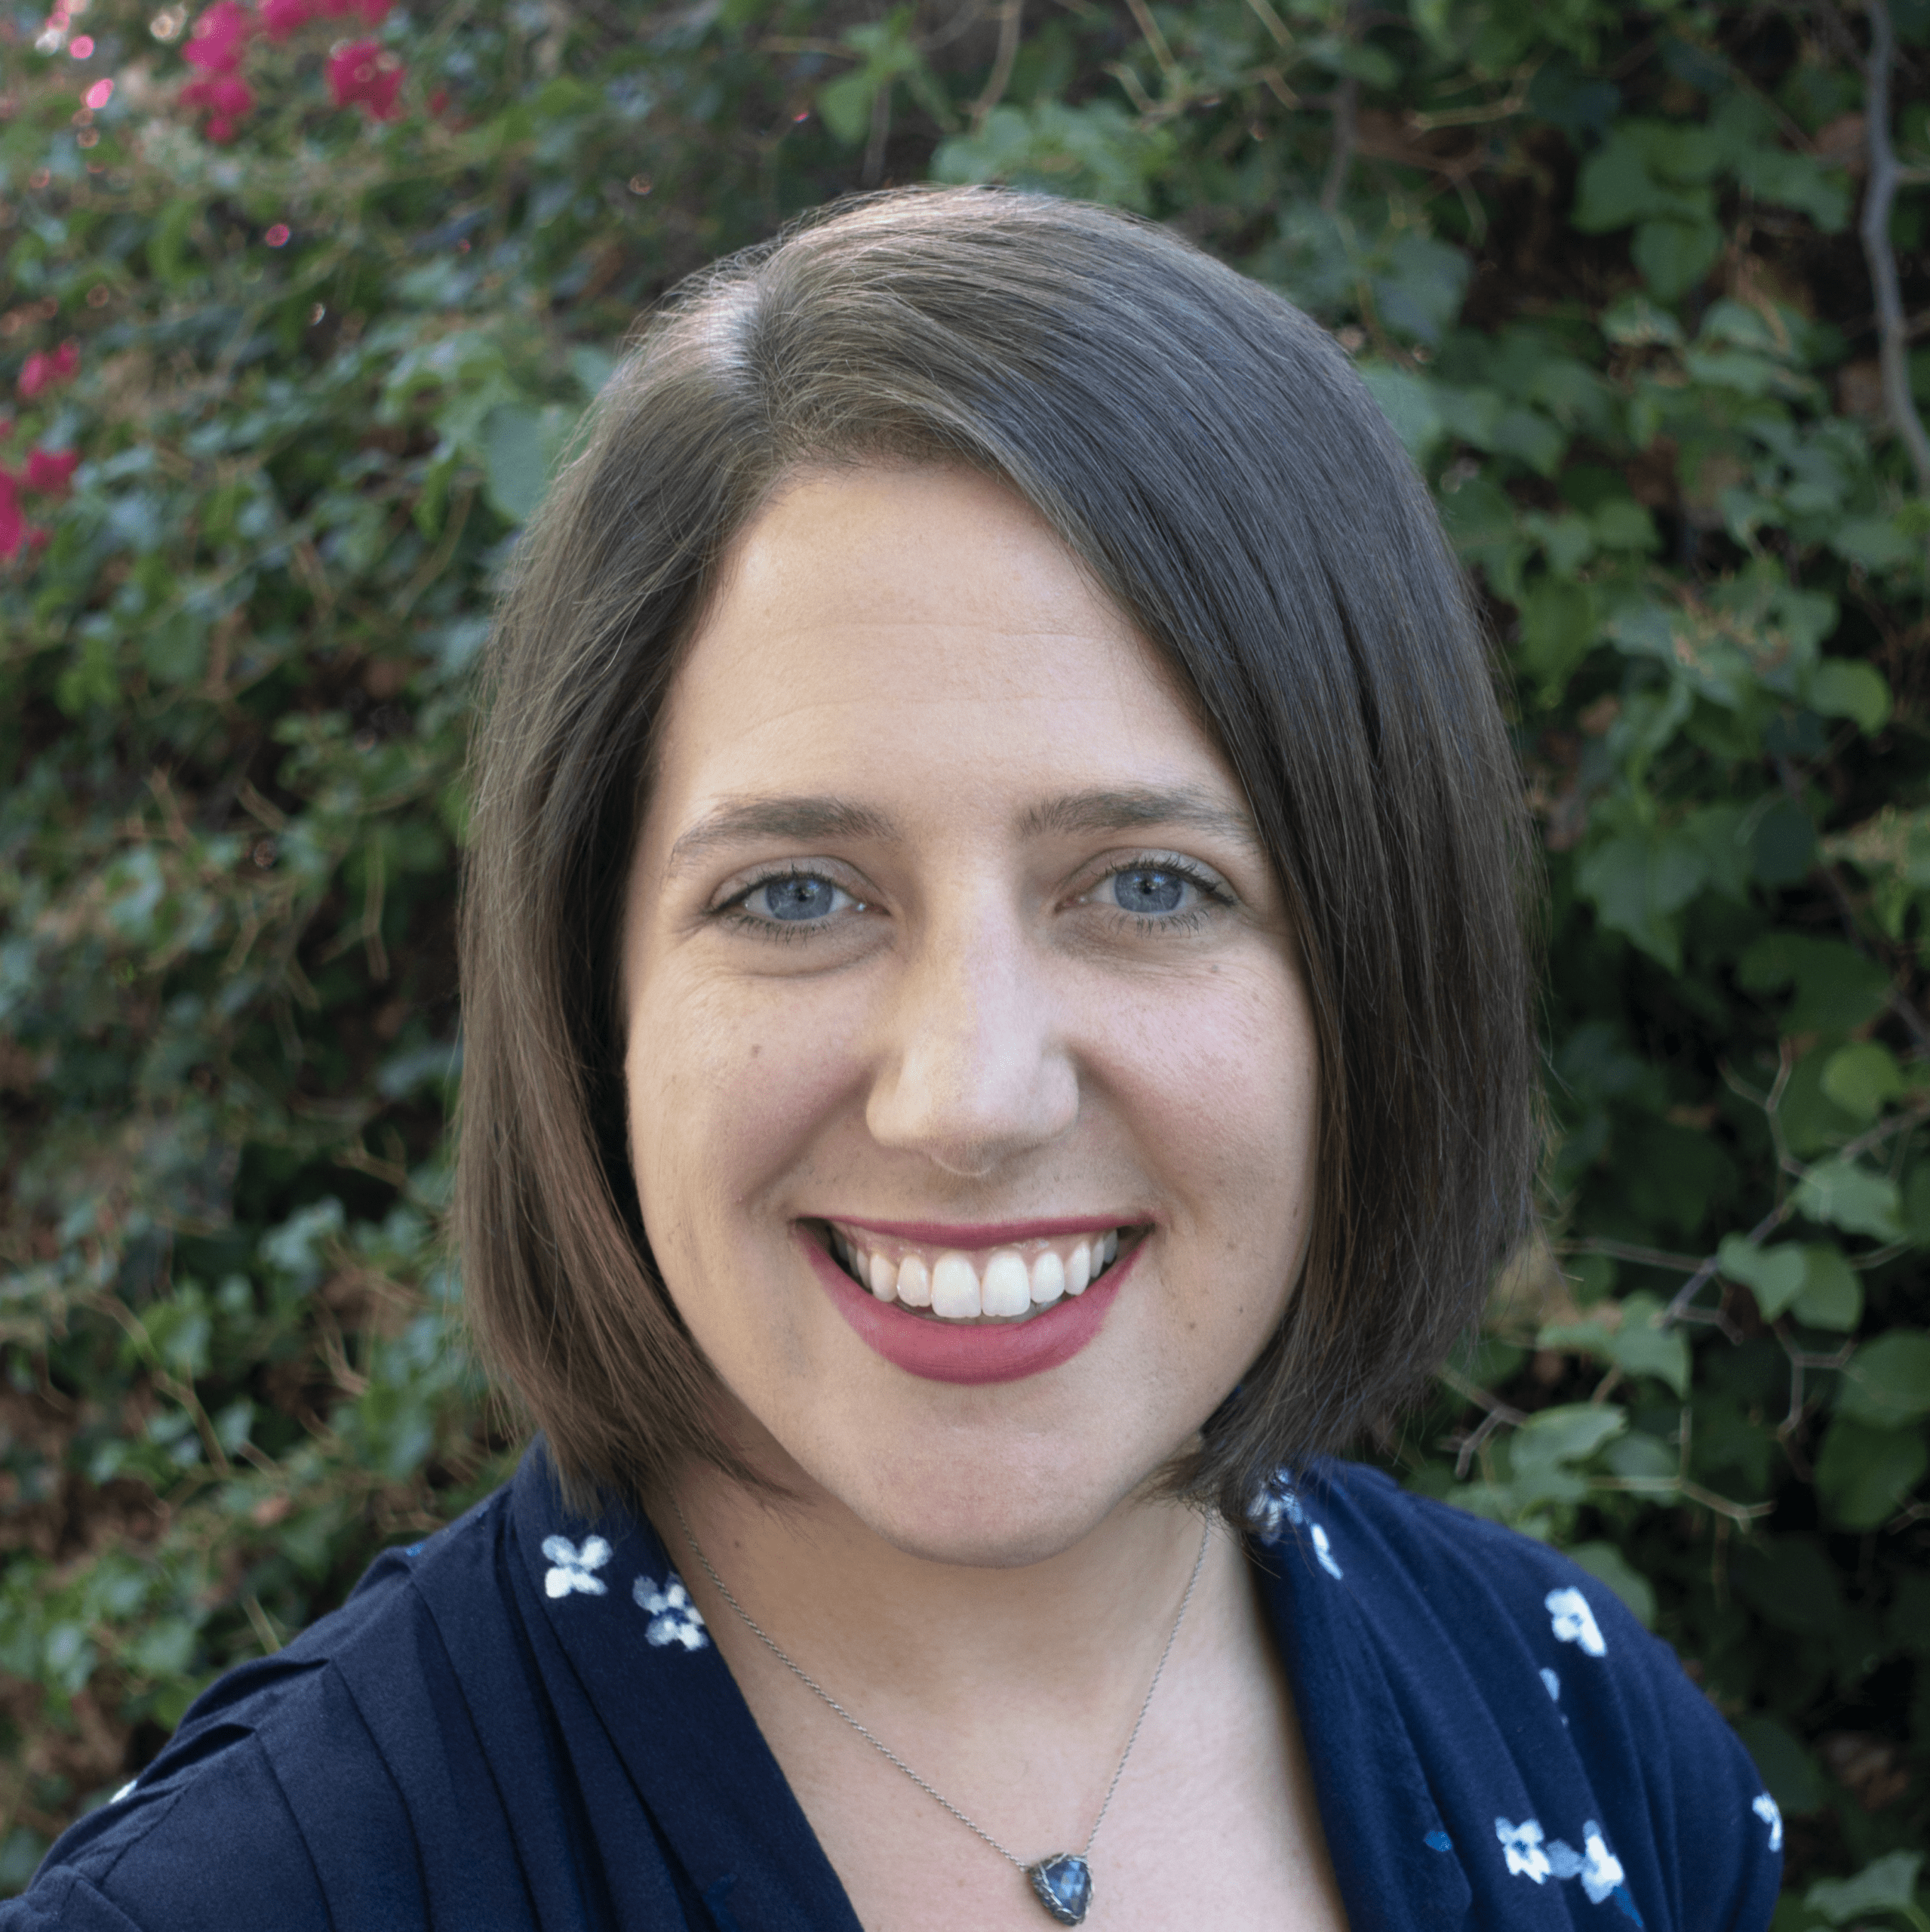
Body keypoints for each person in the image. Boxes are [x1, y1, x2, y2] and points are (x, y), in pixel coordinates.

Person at [2, 187, 1781, 1932]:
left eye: (1149, 884)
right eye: (794, 892)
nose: (968, 1098)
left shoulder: (1590, 1738)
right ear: (590, 982)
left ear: (1373, 968)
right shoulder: (245, 1895)